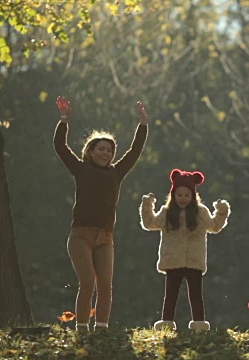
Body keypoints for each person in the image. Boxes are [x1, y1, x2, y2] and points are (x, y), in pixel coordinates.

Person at [54, 95, 148, 331]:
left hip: (105, 237)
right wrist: (64, 120)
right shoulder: (81, 169)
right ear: (91, 151)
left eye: (109, 150)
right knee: (87, 283)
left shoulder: (117, 173)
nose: (106, 153)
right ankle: (83, 329)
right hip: (80, 236)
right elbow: (60, 147)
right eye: (101, 149)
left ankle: (102, 329)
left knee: (105, 285)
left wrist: (143, 124)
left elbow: (135, 151)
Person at [139, 169, 231, 332]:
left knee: (196, 294)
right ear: (173, 195)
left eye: (186, 195)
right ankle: (166, 322)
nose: (183, 198)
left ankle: (199, 323)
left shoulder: (201, 212)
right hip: (172, 260)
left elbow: (214, 226)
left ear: (193, 196)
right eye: (179, 195)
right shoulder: (167, 212)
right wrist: (147, 205)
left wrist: (221, 210)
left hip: (194, 260)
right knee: (171, 294)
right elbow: (150, 223)